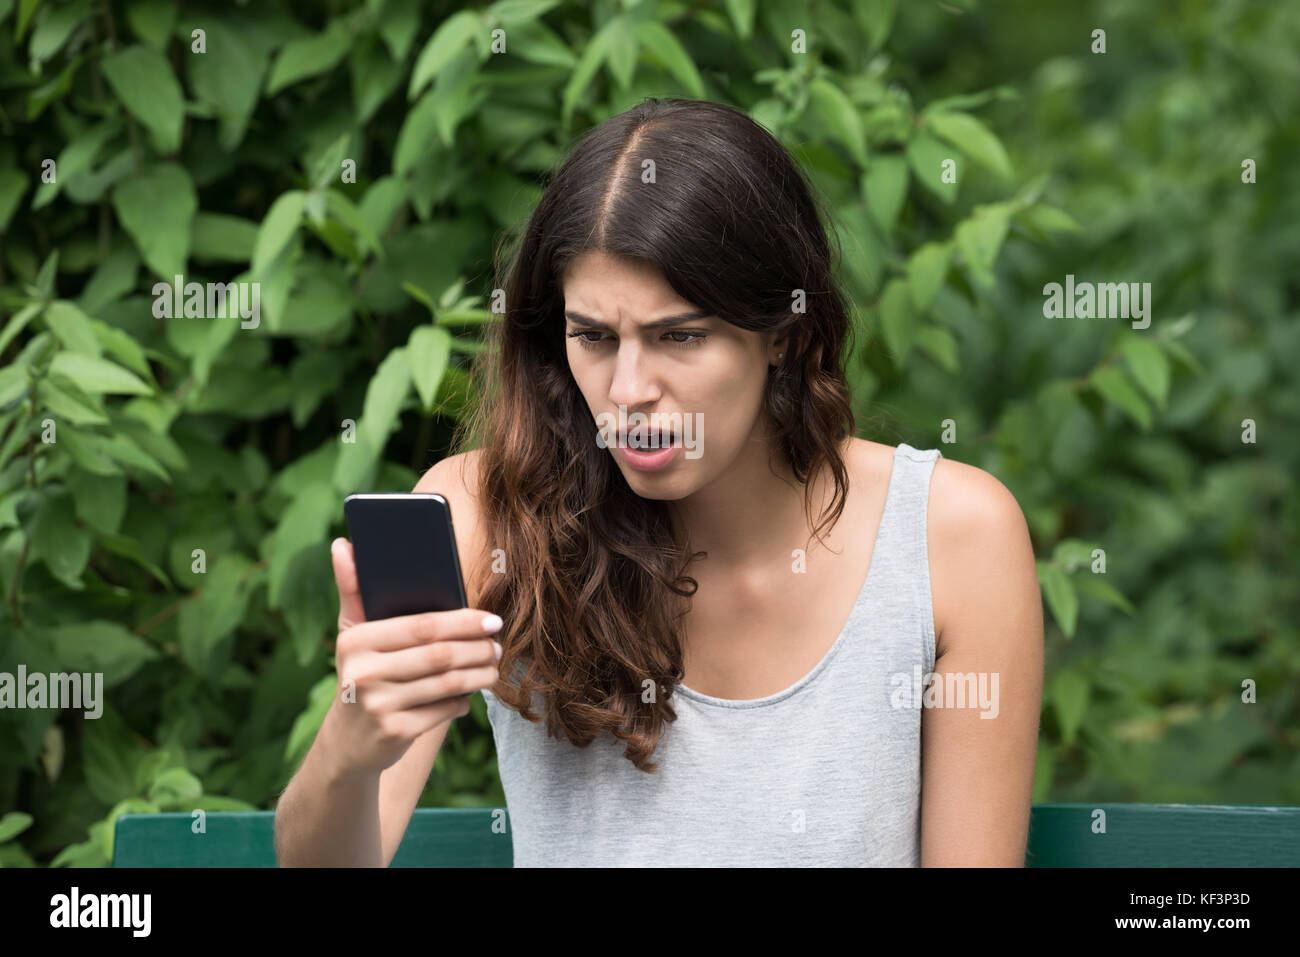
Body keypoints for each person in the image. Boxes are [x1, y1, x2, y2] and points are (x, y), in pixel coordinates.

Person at [274, 98, 1043, 867]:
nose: (630, 388)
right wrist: (352, 741)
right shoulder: (485, 518)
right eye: (594, 337)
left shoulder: (951, 538)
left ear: (785, 331)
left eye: (680, 335)